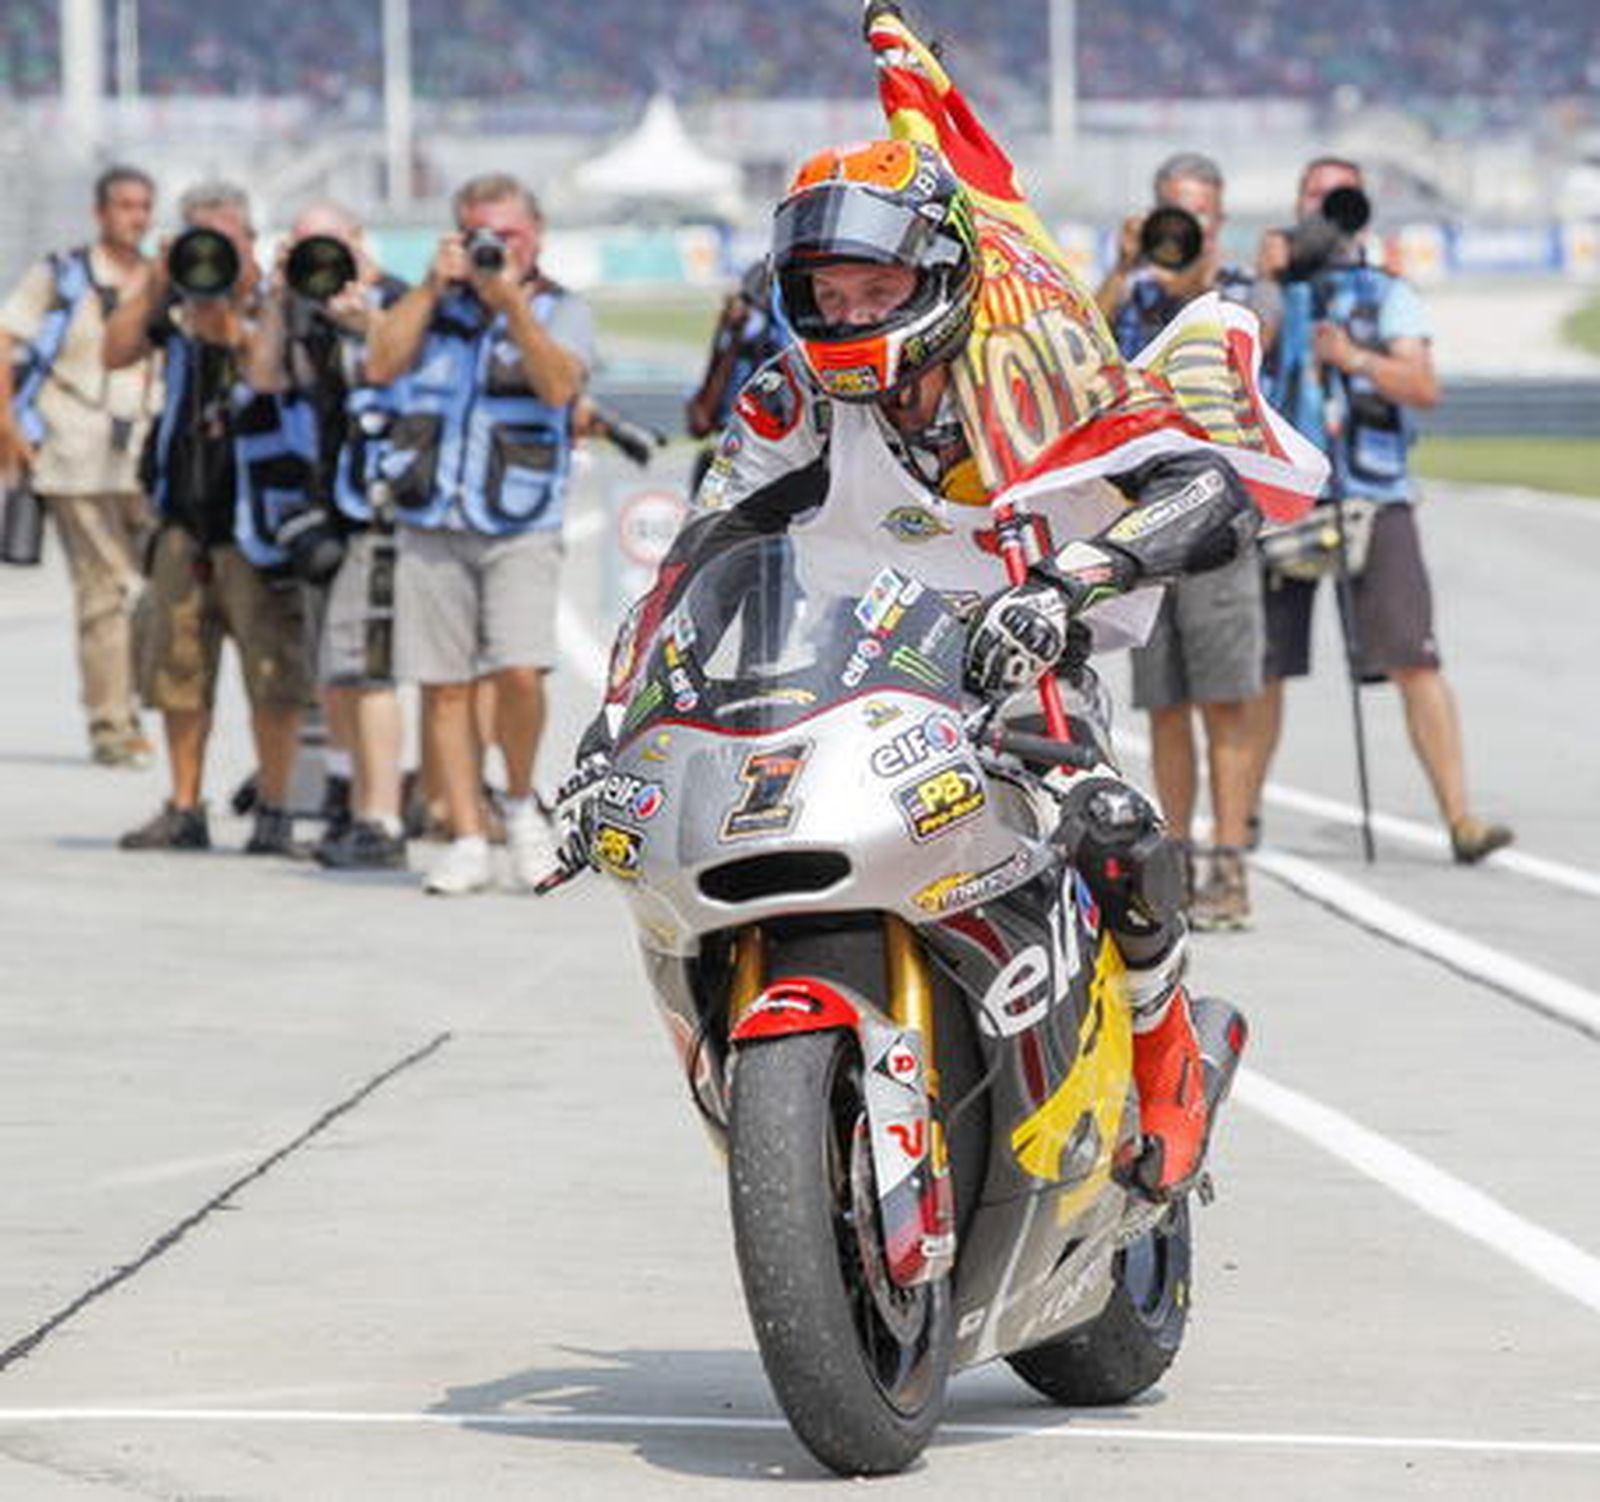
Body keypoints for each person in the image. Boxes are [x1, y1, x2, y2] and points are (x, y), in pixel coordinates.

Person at [548, 139, 1324, 1202]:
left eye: (880, 288)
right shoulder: (794, 400)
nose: (855, 315)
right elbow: (701, 554)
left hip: (1018, 669)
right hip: (829, 674)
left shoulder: (1037, 369)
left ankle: (1164, 1050)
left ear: (942, 278)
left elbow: (1209, 490)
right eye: (831, 292)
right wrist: (615, 725)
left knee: (1109, 824)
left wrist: (1064, 586)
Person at [1244, 156, 1512, 866]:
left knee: (1414, 658)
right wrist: (1269, 280)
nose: (1326, 216)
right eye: (1315, 201)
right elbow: (1235, 361)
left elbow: (1422, 384)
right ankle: (1238, 820)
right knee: (1262, 667)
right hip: (1289, 491)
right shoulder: (1262, 290)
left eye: (1341, 202)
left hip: (1373, 491)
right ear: (1293, 206)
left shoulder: (1386, 292)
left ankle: (1460, 817)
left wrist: (1355, 359)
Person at [363, 172, 594, 895]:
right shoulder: (429, 305)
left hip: (519, 517)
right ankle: (465, 832)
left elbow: (560, 387)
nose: (497, 246)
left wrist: (510, 304)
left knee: (520, 670)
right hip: (432, 514)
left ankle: (520, 804)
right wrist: (434, 287)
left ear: (537, 237)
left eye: (510, 234)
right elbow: (378, 363)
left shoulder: (561, 307)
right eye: (480, 235)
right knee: (443, 688)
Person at [104, 180, 310, 855]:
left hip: (260, 524)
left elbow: (267, 371)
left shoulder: (280, 301)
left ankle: (275, 809)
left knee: (273, 674)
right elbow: (115, 349)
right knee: (177, 671)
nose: (216, 254)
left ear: (251, 239)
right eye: (204, 240)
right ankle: (185, 805)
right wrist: (160, 277)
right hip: (183, 519)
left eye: (229, 239)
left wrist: (239, 316)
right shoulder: (177, 301)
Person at [1094, 152, 1267, 931]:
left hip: (1220, 516)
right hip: (1144, 515)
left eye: (1195, 216)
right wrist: (1123, 265)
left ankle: (1230, 864)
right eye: (1170, 212)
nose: (1182, 228)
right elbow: (1079, 352)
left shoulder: (1241, 297)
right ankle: (1179, 862)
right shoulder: (1130, 293)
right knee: (1164, 704)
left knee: (1224, 701)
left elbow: (1255, 359)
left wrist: (1195, 277)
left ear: (1220, 221)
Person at [242, 201, 411, 871]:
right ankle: (352, 801)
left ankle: (383, 816)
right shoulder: (296, 306)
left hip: (378, 508)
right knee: (339, 672)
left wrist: (367, 311)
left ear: (360, 243)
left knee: (368, 670)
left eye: (331, 247)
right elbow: (261, 379)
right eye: (307, 250)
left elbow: (398, 373)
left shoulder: (396, 299)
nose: (323, 263)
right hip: (322, 509)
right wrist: (283, 294)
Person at [0, 165, 162, 767]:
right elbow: (6, 336)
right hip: (74, 449)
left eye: (144, 206)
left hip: (148, 450)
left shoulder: (162, 276)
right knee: (104, 590)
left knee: (154, 590)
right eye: (125, 206)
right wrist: (8, 427)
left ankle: (139, 703)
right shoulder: (62, 274)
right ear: (101, 212)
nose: (136, 217)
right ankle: (111, 723)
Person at [684, 258, 789, 491]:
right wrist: (731, 335)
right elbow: (699, 422)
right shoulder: (734, 343)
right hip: (730, 456)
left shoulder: (778, 340)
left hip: (770, 457)